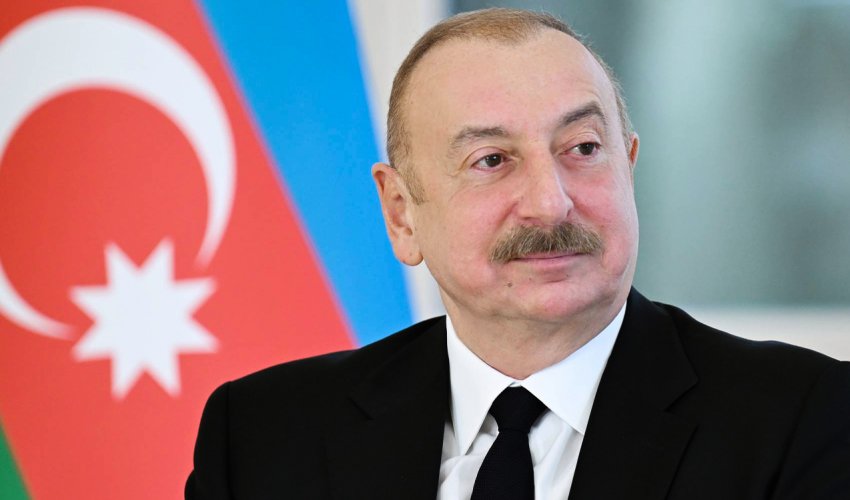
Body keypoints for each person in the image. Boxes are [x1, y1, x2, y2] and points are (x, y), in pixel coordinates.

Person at [186, 8, 850, 499]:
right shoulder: (264, 436)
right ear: (401, 214)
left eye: (583, 148)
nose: (550, 203)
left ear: (629, 167)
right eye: (492, 160)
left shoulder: (805, 420)